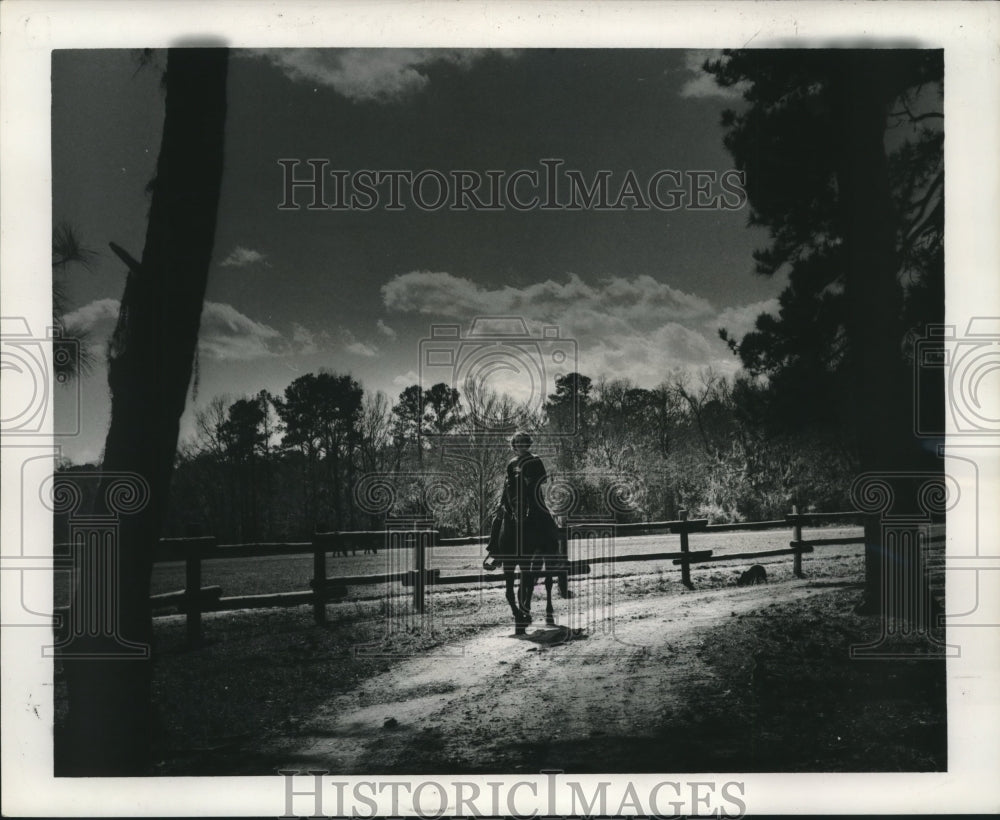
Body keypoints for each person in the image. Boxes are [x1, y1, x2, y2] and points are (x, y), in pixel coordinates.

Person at [482, 431, 557, 570]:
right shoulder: (512, 463)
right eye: (518, 443)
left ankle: (553, 552)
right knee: (497, 519)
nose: (521, 445)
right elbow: (507, 484)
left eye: (523, 442)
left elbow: (544, 478)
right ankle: (495, 552)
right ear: (514, 445)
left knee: (547, 519)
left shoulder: (535, 459)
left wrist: (530, 482)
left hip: (533, 498)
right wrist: (501, 503)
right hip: (514, 500)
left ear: (528, 443)